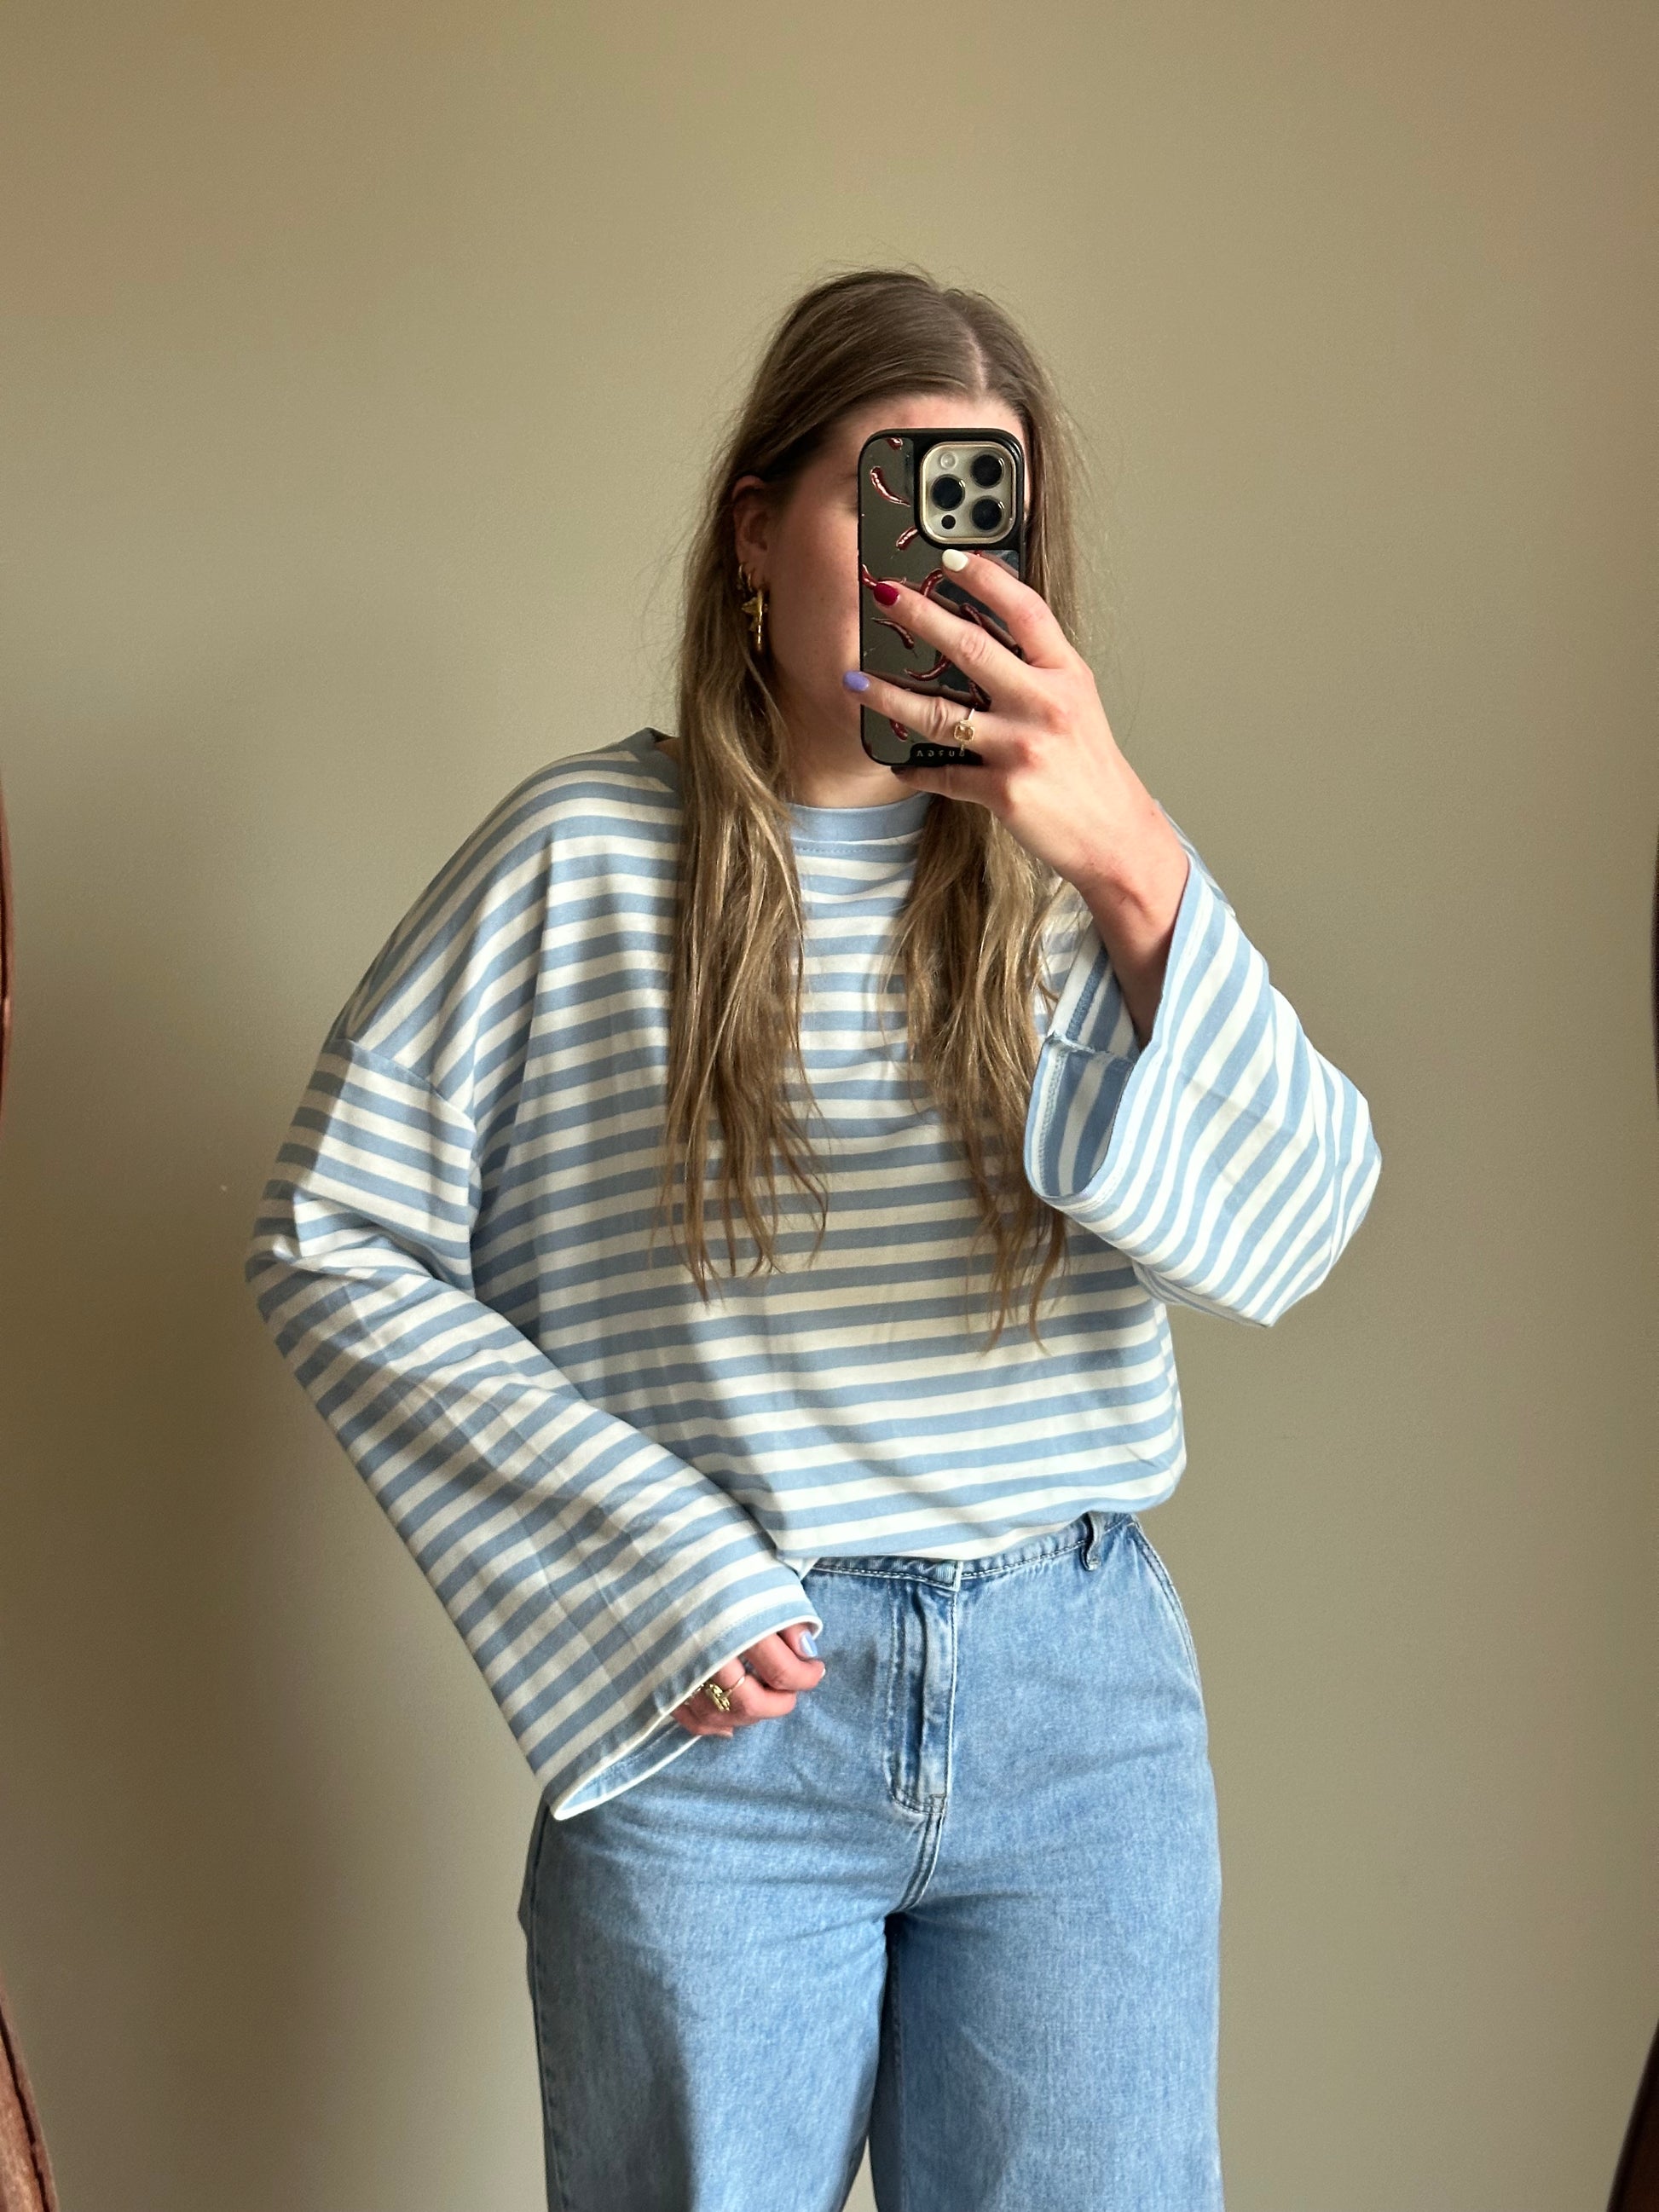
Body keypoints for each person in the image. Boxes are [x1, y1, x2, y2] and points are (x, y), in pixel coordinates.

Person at [246, 266, 1381, 2212]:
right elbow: (328, 1235)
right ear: (755, 530)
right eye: (891, 493)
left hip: (1078, 1706)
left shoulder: (1072, 883)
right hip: (724, 1712)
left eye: (984, 511)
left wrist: (1125, 851)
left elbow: (1297, 1223)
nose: (937, 566)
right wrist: (651, 1566)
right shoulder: (580, 858)